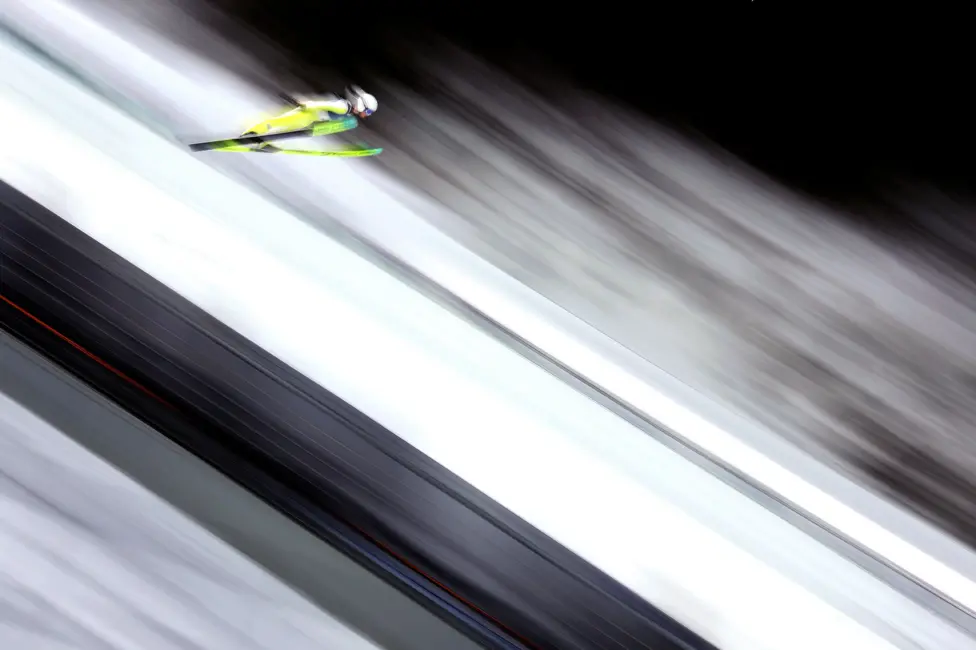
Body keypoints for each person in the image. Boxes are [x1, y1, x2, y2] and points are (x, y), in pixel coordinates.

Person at [241, 86, 377, 150]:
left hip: (309, 119)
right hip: (306, 114)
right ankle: (251, 134)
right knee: (278, 123)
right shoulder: (343, 106)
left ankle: (266, 143)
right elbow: (322, 104)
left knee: (285, 130)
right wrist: (305, 104)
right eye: (368, 111)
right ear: (361, 105)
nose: (366, 115)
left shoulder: (348, 112)